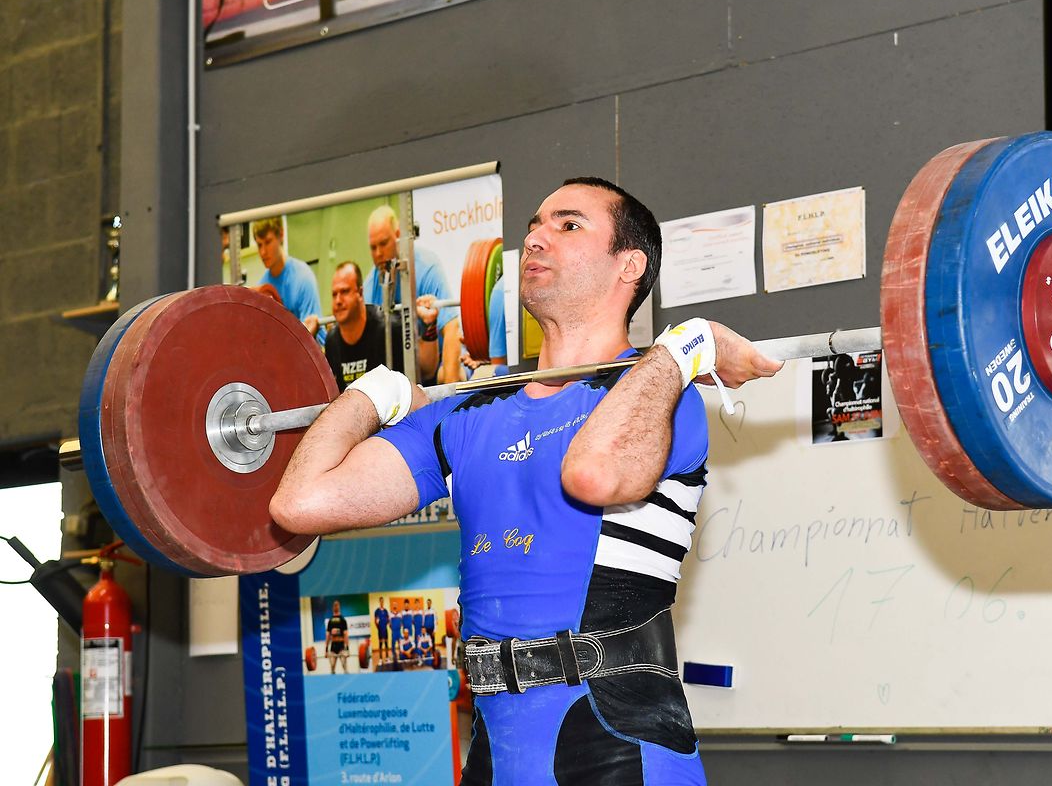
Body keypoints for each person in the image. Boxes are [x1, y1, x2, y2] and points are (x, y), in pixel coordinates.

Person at [271, 177, 780, 784]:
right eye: (534, 225)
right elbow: (300, 503)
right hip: (494, 752)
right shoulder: (468, 412)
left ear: (630, 265)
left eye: (568, 225)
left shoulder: (664, 402)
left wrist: (678, 351)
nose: (536, 237)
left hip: (617, 746)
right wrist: (368, 395)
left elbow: (595, 473)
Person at [364, 205, 461, 384]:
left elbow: (451, 328)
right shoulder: (370, 286)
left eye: (383, 243)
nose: (378, 253)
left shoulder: (428, 267)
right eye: (373, 247)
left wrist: (451, 394)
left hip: (435, 367)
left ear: (398, 235)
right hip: (400, 372)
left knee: (447, 376)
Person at [323, 262, 436, 390]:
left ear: (360, 293)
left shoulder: (389, 328)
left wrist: (430, 325)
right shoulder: (331, 341)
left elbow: (427, 372)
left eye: (344, 292)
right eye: (334, 294)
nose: (338, 301)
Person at [253, 216, 325, 346]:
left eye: (268, 242)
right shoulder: (262, 288)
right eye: (259, 245)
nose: (263, 252)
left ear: (281, 235)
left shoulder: (303, 277)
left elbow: (310, 335)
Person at [325, 600, 349, 674]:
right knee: (332, 669)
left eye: (337, 605)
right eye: (334, 605)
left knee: (345, 668)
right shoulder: (330, 620)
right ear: (333, 608)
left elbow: (346, 634)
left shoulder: (343, 620)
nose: (335, 606)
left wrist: (347, 649)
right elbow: (328, 635)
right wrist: (326, 650)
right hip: (333, 646)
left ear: (339, 607)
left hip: (341, 646)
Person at [373, 596, 391, 661]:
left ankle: (387, 657)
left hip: (385, 629)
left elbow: (388, 619)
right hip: (380, 630)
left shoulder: (386, 611)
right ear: (379, 602)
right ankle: (380, 658)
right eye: (381, 601)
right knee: (380, 644)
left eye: (382, 601)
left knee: (386, 644)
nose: (382, 602)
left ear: (383, 602)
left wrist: (387, 623)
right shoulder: (377, 611)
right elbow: (375, 621)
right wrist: (379, 627)